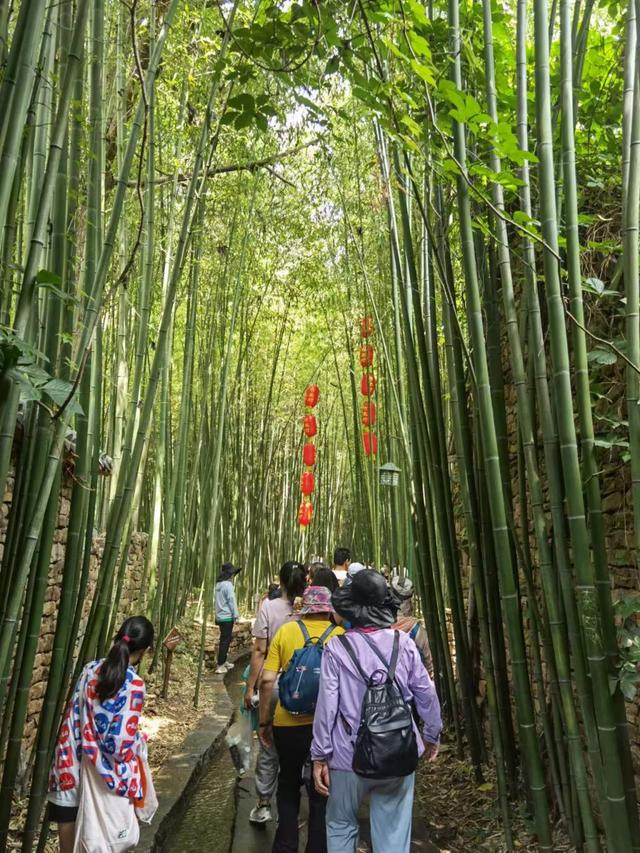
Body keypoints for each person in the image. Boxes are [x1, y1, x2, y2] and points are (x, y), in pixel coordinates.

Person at [311, 570, 441, 853]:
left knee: (341, 826)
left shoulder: (336, 648)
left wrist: (319, 755)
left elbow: (326, 709)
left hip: (347, 757)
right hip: (398, 750)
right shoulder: (404, 643)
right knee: (393, 833)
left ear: (351, 608)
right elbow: (427, 694)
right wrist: (431, 734)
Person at [47, 616, 155, 853]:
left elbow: (75, 717)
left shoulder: (89, 670)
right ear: (146, 650)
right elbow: (118, 746)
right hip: (102, 782)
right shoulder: (134, 685)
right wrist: (138, 742)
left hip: (69, 769)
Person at [259, 586, 344, 853]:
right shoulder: (341, 637)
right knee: (321, 790)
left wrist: (264, 722)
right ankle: (317, 848)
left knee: (287, 785)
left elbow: (267, 680)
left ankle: (286, 845)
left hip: (288, 723)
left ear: (303, 608)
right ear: (328, 609)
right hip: (327, 727)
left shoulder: (286, 631)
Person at [244, 561, 307, 825]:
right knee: (299, 746)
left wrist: (251, 687)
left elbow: (259, 651)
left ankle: (263, 804)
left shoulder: (268, 608)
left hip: (274, 684)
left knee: (268, 745)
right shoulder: (307, 611)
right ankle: (290, 808)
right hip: (302, 687)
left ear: (280, 582)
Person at [391, 575, 434, 678]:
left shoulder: (379, 626)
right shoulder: (418, 631)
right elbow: (429, 665)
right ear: (409, 602)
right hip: (411, 688)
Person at [214, 562, 241, 674]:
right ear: (229, 574)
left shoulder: (218, 584)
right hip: (227, 617)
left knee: (225, 639)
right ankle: (220, 665)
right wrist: (236, 615)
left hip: (220, 616)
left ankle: (223, 661)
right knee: (225, 641)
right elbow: (231, 600)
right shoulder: (228, 585)